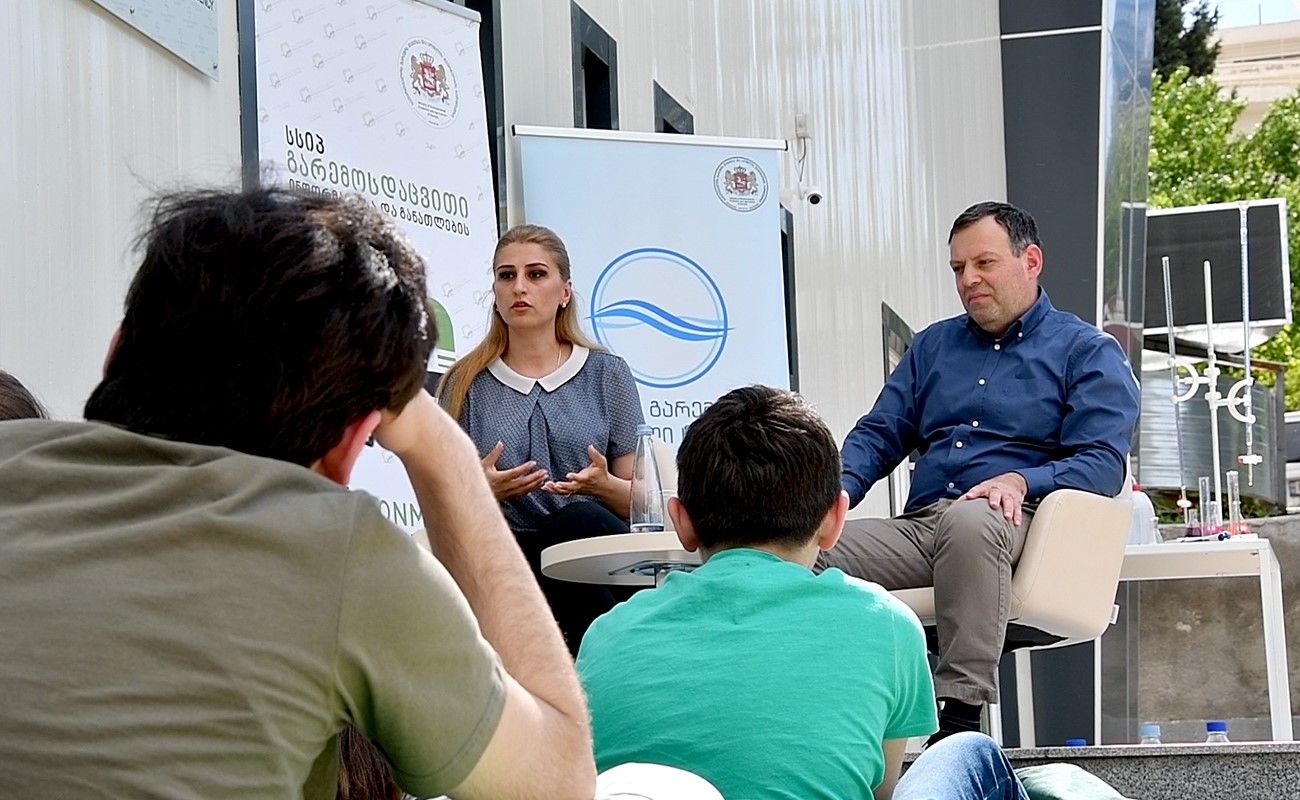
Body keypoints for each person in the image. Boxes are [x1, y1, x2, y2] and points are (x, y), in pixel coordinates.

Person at [0, 188, 595, 799]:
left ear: (115, 353)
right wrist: (441, 449)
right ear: (350, 447)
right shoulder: (342, 553)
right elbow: (559, 783)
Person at [577, 385, 1028, 800]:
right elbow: (878, 790)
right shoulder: (888, 625)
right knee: (969, 752)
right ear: (835, 518)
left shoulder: (603, 637)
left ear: (681, 520)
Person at [819, 201, 1140, 744]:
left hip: (1018, 524)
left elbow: (1103, 463)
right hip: (923, 527)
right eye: (958, 268)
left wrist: (1022, 480)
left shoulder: (1086, 351)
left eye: (984, 263)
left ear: (1030, 261)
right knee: (798, 548)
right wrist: (831, 498)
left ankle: (959, 719)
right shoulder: (933, 346)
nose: (968, 279)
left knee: (973, 519)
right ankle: (827, 714)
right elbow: (880, 432)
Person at [438, 224, 644, 651]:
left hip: (595, 548)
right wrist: (481, 490)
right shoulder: (465, 383)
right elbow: (441, 504)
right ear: (495, 292)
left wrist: (603, 486)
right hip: (510, 554)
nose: (519, 287)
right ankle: (614, 660)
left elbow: (642, 507)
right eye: (506, 276)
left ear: (565, 292)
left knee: (576, 522)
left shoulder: (608, 373)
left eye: (535, 274)